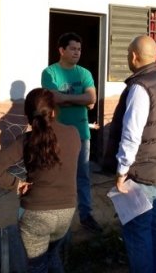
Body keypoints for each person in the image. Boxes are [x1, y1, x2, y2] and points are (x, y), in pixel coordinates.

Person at [0, 88, 80, 272]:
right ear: (53, 111)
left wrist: (16, 184)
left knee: (37, 266)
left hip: (36, 212)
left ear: (28, 115)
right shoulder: (74, 134)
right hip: (67, 210)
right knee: (52, 256)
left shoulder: (26, 141)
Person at [110, 35, 156, 273]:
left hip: (143, 172)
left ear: (133, 56)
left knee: (138, 230)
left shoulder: (141, 87)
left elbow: (132, 134)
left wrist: (121, 171)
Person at [41, 32, 100, 233]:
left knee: (83, 176)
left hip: (82, 132)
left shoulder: (84, 73)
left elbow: (92, 98)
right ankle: (58, 218)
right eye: (73, 49)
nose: (77, 52)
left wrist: (66, 98)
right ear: (62, 50)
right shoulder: (49, 73)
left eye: (79, 49)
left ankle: (86, 215)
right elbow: (53, 99)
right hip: (58, 133)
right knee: (58, 175)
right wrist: (80, 98)